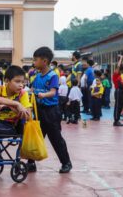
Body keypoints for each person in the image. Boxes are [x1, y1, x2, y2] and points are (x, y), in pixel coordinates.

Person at [28, 46, 72, 174]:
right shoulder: (36, 75)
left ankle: (66, 163)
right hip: (38, 111)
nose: (34, 62)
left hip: (51, 111)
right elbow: (32, 90)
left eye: (35, 60)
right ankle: (31, 163)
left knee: (56, 138)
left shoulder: (53, 75)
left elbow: (53, 92)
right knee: (35, 137)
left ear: (45, 61)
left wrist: (43, 95)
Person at [112, 55, 123, 127]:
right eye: (121, 70)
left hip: (121, 92)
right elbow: (118, 66)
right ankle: (116, 120)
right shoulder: (116, 74)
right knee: (117, 106)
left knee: (120, 106)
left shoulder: (121, 75)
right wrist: (121, 58)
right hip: (118, 91)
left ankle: (117, 120)